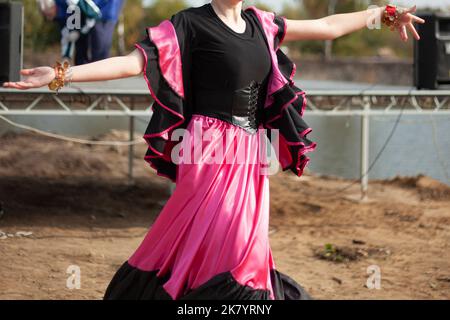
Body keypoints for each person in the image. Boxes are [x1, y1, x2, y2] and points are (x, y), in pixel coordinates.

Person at [3, 1, 424, 300]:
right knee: (231, 242)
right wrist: (60, 74)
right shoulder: (187, 24)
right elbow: (133, 63)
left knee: (240, 249)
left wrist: (381, 15)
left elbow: (329, 26)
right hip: (206, 149)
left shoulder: (263, 23)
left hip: (251, 152)